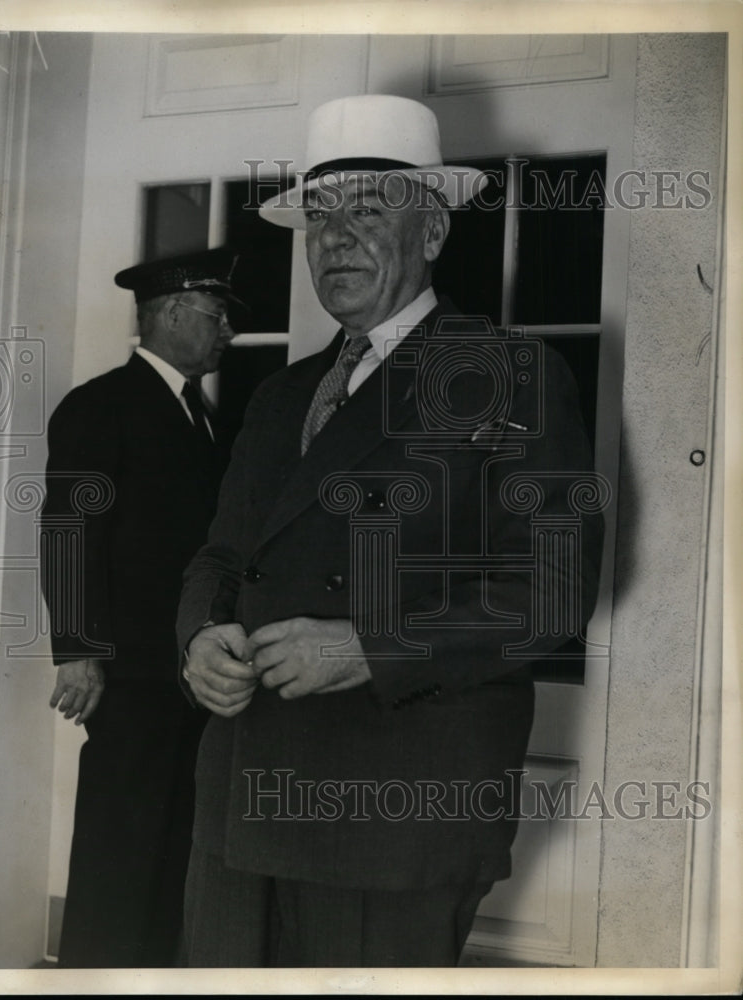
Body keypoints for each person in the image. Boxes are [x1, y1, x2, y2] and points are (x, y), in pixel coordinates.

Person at [176, 95, 605, 968]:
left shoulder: (512, 374)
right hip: (245, 786)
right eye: (319, 219)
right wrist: (197, 639)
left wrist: (370, 647)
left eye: (367, 212)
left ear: (434, 231)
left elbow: (551, 595)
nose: (335, 240)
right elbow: (220, 556)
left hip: (395, 808)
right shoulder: (281, 396)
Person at [40, 246, 245, 967]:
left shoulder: (207, 419)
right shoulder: (100, 406)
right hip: (127, 677)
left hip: (190, 674)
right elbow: (69, 532)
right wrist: (77, 650)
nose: (228, 332)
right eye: (218, 316)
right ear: (171, 313)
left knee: (174, 846)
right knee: (119, 848)